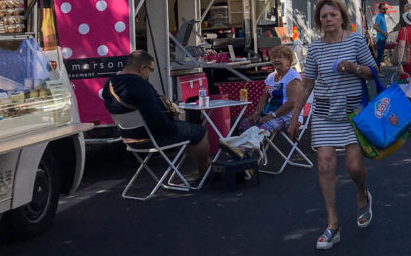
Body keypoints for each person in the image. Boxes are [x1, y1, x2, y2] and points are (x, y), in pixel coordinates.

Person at [288, 0, 377, 250]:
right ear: (319, 21)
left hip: (352, 112)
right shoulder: (315, 48)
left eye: (332, 15)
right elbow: (307, 84)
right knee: (325, 165)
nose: (328, 19)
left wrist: (353, 67)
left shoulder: (356, 41)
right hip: (325, 114)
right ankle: (332, 224)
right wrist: (295, 117)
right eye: (324, 16)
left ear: (342, 17)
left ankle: (362, 194)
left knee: (354, 167)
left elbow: (373, 72)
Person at [102, 50, 210, 183]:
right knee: (200, 132)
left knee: (188, 134)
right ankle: (205, 172)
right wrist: (171, 125)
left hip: (129, 138)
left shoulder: (109, 84)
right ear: (142, 68)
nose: (149, 75)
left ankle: (204, 169)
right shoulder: (140, 85)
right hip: (151, 137)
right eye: (150, 70)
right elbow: (155, 118)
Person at [231, 44, 303, 137]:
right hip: (270, 114)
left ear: (288, 61)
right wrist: (256, 114)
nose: (276, 60)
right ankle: (243, 150)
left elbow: (293, 102)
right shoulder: (271, 76)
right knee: (244, 124)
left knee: (262, 129)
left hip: (289, 116)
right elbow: (264, 99)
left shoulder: (293, 77)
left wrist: (272, 116)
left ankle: (242, 149)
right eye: (274, 57)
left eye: (280, 57)